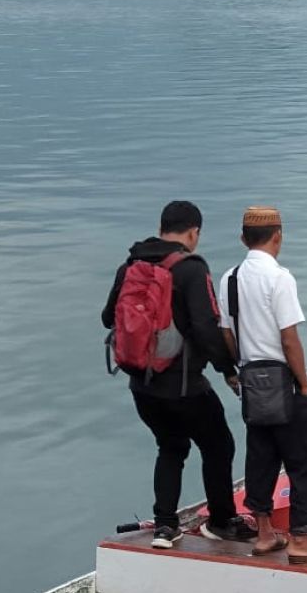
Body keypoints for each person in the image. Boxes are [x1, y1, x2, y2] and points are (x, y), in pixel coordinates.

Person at [101, 201, 254, 549]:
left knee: (170, 447)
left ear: (161, 225)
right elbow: (204, 327)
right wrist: (228, 371)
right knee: (219, 445)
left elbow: (108, 317)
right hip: (184, 388)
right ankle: (220, 521)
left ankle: (165, 527)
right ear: (194, 232)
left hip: (142, 386)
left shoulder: (131, 266)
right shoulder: (191, 268)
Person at [218, 206, 307, 564]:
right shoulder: (279, 278)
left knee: (261, 457)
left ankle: (266, 534)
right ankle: (303, 541)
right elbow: (290, 339)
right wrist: (303, 384)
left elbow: (225, 333)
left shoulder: (230, 279)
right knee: (306, 462)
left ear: (243, 239)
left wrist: (240, 369)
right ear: (278, 236)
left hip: (253, 384)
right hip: (285, 383)